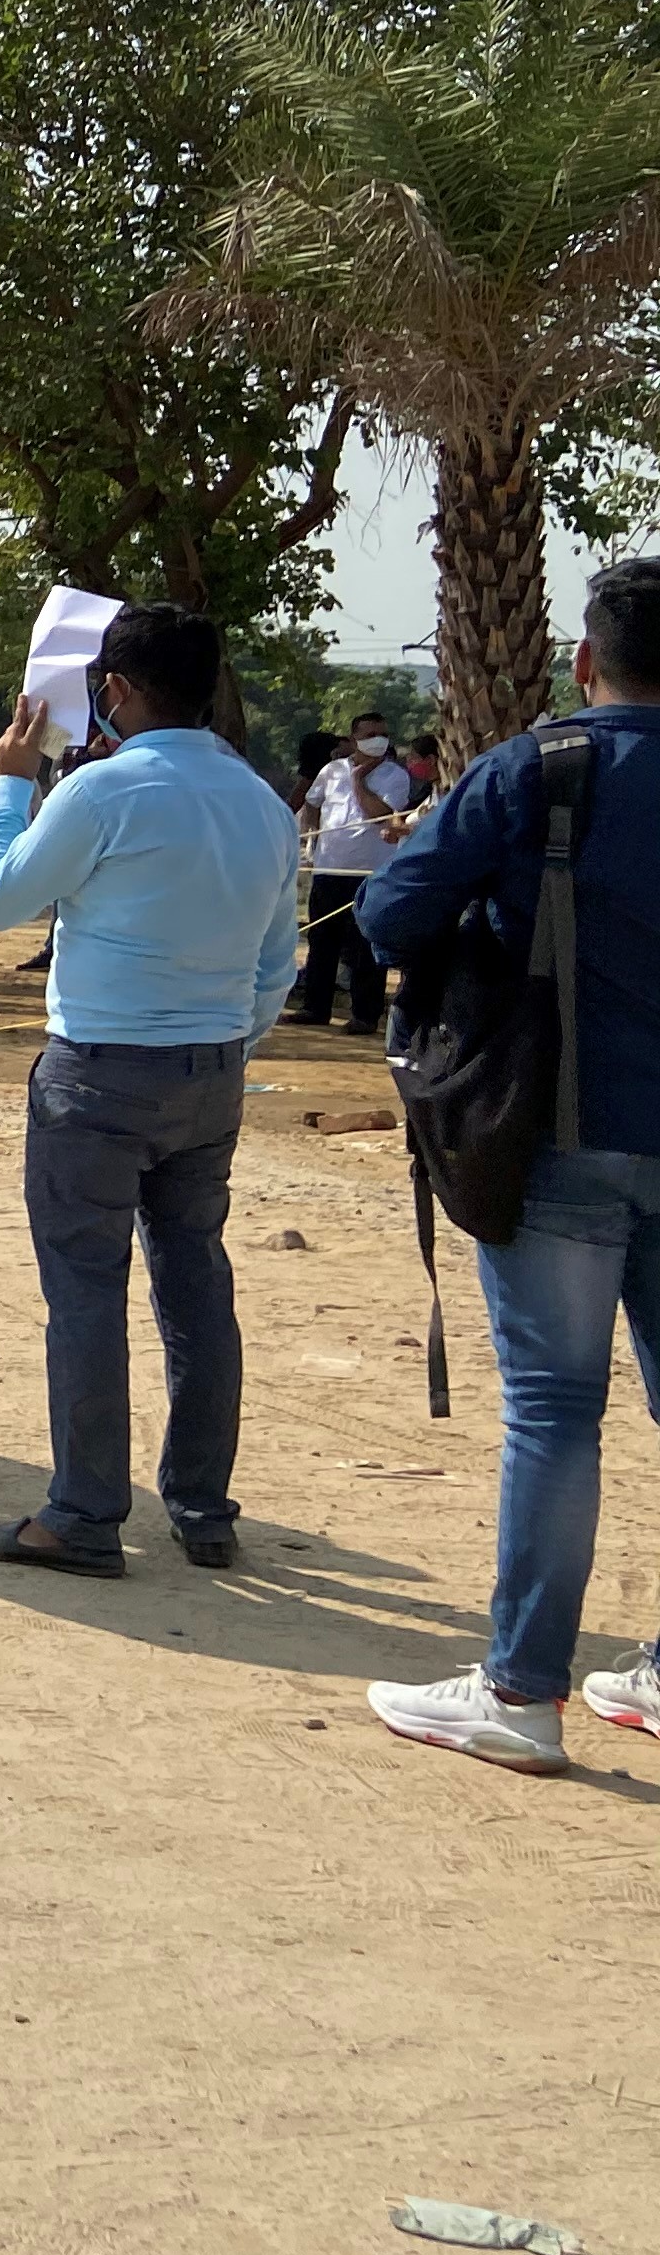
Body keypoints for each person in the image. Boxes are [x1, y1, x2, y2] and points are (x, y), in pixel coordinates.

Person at [354, 562, 660, 1773]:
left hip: (562, 1131)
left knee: (554, 1413)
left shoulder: (540, 768)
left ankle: (522, 1691)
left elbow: (390, 915)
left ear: (585, 662)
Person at [0, 605, 301, 1578]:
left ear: (115, 691)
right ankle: (201, 1504)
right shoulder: (265, 803)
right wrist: (222, 1039)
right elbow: (279, 961)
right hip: (211, 1071)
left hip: (98, 1072)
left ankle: (87, 1511)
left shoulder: (102, 791)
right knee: (197, 1288)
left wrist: (9, 788)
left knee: (86, 1291)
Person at [294, 711, 414, 1032]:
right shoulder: (331, 771)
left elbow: (382, 814)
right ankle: (315, 1007)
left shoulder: (395, 776)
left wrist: (359, 781)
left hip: (371, 872)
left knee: (364, 945)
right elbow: (312, 802)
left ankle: (364, 1014)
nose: (378, 740)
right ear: (355, 737)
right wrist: (311, 840)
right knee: (322, 941)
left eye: (383, 733)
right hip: (329, 866)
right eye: (370, 733)